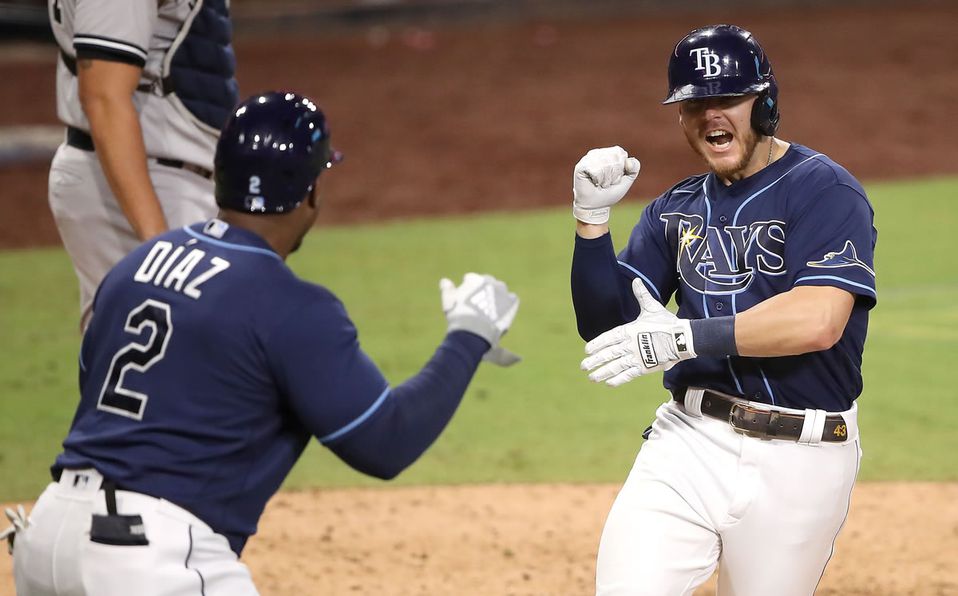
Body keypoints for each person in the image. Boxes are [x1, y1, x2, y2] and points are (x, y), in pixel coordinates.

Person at [5, 91, 520, 595]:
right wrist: (469, 335)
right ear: (310, 192)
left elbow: (93, 384)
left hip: (46, 537)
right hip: (148, 562)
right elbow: (386, 442)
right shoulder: (290, 304)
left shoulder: (135, 265)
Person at [570, 24, 877, 595]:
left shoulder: (825, 191)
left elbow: (818, 321)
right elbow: (607, 328)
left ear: (765, 103)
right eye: (694, 104)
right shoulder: (674, 209)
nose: (711, 115)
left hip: (801, 460)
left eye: (728, 99)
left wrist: (686, 338)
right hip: (687, 442)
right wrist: (591, 224)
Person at [47, 0, 239, 330]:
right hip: (145, 180)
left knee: (155, 351)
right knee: (199, 347)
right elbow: (104, 98)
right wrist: (161, 244)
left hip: (154, 173)